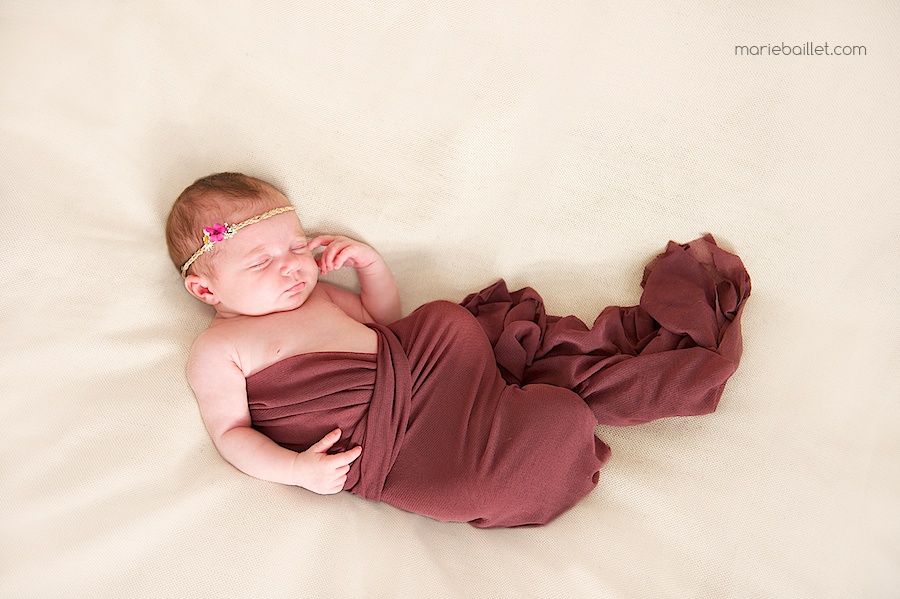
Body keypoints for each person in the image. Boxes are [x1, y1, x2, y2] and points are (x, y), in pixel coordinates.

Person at [167, 172, 751, 528]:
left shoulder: (321, 296)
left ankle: (507, 416)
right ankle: (510, 464)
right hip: (393, 448)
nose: (292, 266)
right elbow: (231, 435)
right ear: (204, 288)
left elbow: (390, 330)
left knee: (443, 322)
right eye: (263, 261)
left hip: (439, 387)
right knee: (536, 431)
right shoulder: (219, 349)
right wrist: (296, 469)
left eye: (295, 247)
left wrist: (370, 267)